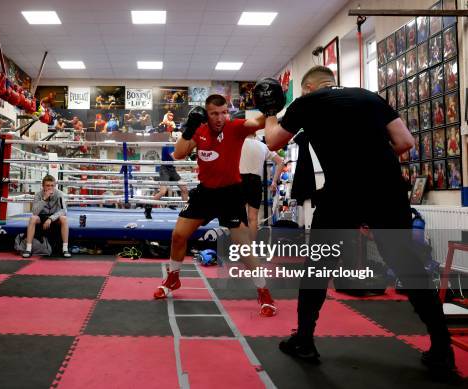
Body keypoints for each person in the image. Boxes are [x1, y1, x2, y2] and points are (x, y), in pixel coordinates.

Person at [257, 66, 455, 378]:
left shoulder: (307, 103)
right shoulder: (370, 98)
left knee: (319, 265)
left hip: (343, 191)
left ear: (308, 87)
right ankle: (443, 349)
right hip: (387, 189)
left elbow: (272, 141)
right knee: (407, 264)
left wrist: (270, 112)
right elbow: (405, 142)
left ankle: (305, 341)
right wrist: (371, 158)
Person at [153, 95, 277, 317]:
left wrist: (271, 107)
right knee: (178, 236)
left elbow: (257, 123)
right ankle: (173, 278)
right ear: (206, 114)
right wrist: (189, 128)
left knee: (243, 247)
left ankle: (263, 291)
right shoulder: (199, 131)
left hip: (230, 194)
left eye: (223, 113)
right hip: (205, 193)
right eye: (214, 113)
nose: (220, 118)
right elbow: (179, 153)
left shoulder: (235, 127)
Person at [239, 133, 284, 240]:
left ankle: (242, 248)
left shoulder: (237, 144)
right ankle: (252, 248)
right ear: (254, 133)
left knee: (239, 217)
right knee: (253, 218)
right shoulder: (262, 146)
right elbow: (280, 162)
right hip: (255, 182)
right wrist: (274, 181)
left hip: (239, 181)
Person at [23, 175, 71, 258]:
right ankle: (28, 248)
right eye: (47, 185)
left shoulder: (59, 194)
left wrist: (50, 219)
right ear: (43, 186)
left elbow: (64, 210)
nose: (50, 188)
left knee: (64, 218)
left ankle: (65, 248)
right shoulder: (38, 195)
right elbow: (34, 212)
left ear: (55, 186)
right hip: (41, 217)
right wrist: (44, 199)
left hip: (54, 217)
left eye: (52, 185)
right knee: (32, 218)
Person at [144, 131, 189, 219]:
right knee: (162, 192)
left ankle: (185, 211)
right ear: (176, 138)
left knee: (184, 189)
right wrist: (185, 157)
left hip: (172, 169)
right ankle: (148, 207)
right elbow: (174, 157)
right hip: (164, 169)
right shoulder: (168, 144)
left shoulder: (175, 145)